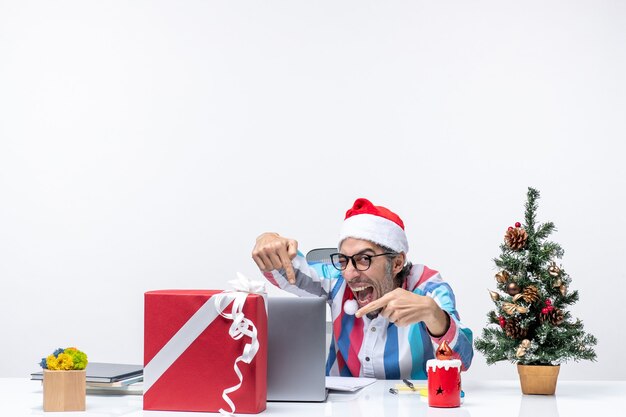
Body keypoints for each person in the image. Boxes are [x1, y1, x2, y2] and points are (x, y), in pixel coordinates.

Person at [252, 198, 473, 379]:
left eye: (364, 259)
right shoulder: (336, 279)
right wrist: (268, 241)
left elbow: (463, 360)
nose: (349, 273)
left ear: (396, 263)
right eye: (344, 260)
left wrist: (435, 316)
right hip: (339, 408)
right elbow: (287, 270)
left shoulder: (428, 287)